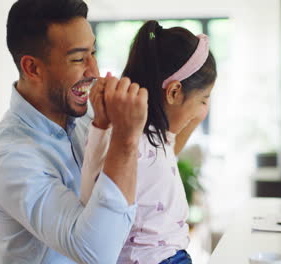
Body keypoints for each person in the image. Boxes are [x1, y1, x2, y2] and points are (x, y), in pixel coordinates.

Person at [0, 0, 148, 263]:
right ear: (32, 68)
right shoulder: (11, 159)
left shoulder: (88, 118)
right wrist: (124, 139)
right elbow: (94, 252)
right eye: (79, 58)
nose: (94, 71)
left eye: (93, 52)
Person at [80, 20, 217, 264]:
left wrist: (100, 125)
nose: (204, 108)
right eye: (204, 99)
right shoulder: (134, 143)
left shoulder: (155, 134)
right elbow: (93, 201)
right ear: (174, 92)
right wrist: (101, 125)